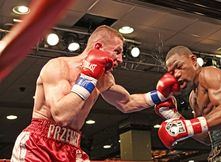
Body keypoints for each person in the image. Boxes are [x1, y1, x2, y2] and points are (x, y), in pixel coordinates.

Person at [10, 25, 180, 162]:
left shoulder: (105, 79)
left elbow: (128, 103)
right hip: (38, 144)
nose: (120, 59)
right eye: (117, 51)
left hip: (71, 146)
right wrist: (88, 78)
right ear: (98, 47)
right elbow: (61, 115)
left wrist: (160, 95)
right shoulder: (58, 66)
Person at [155, 46, 221, 162]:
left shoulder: (209, 73)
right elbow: (206, 138)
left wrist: (188, 126)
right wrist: (176, 117)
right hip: (218, 149)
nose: (176, 74)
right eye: (171, 72)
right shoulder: (193, 98)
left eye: (179, 67)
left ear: (193, 60)